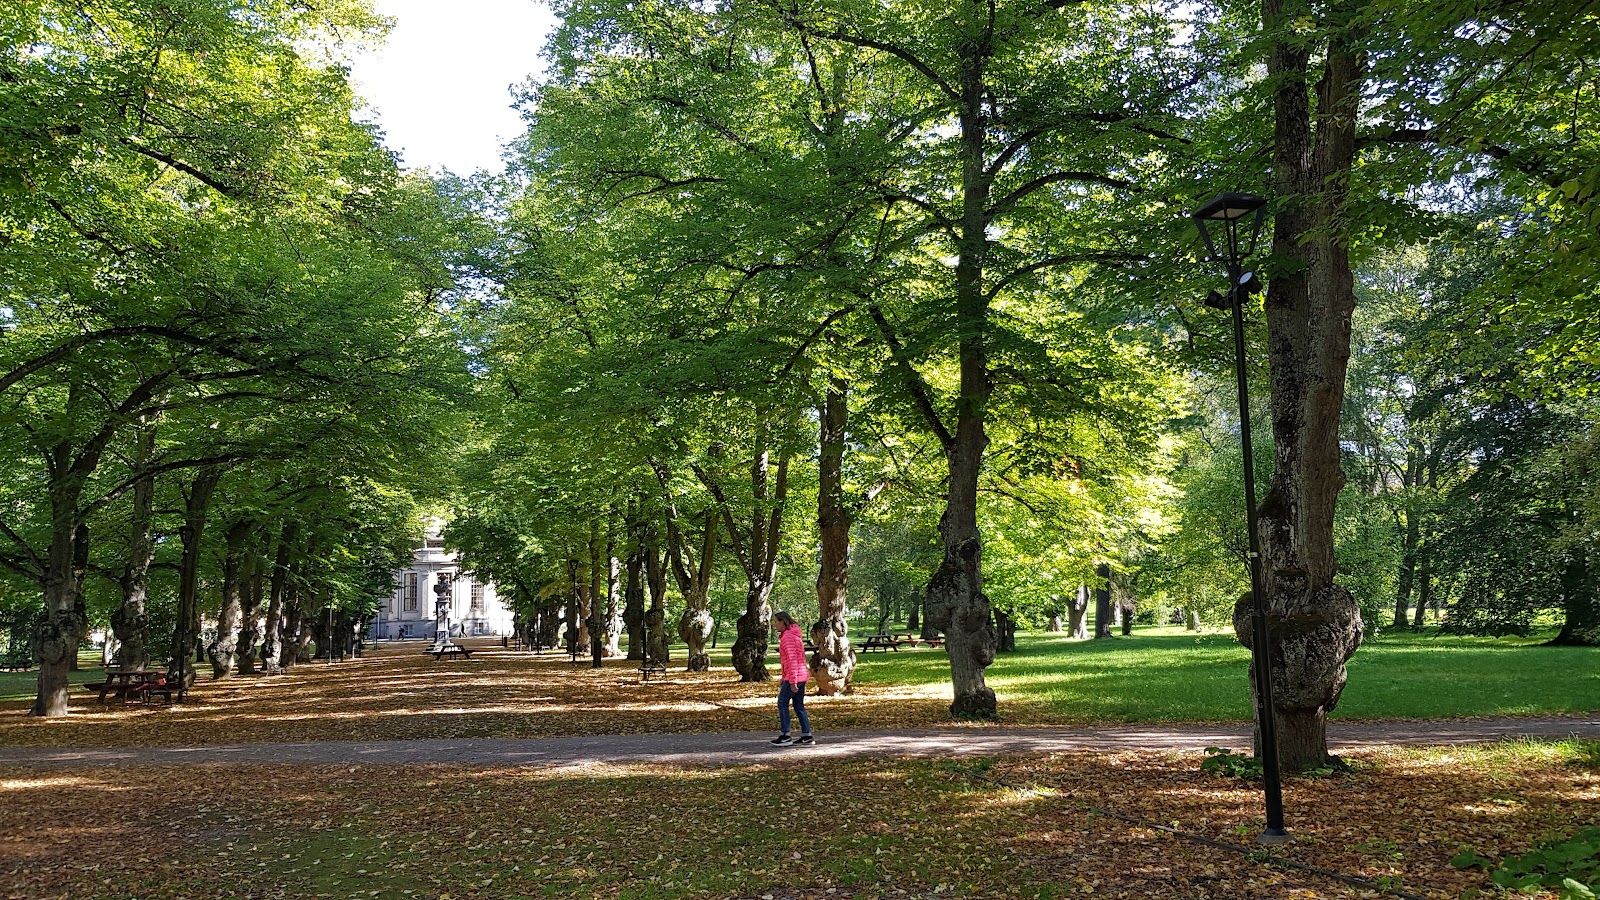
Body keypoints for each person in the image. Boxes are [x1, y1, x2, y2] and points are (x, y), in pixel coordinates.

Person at [770, 611, 814, 746]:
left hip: (794, 677)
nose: (774, 624)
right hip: (800, 675)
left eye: (776, 621)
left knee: (782, 703)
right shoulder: (794, 635)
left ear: (783, 622)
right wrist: (784, 677)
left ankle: (785, 735)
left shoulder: (787, 637)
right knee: (798, 705)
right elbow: (795, 659)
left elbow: (792, 660)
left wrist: (792, 681)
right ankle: (807, 735)